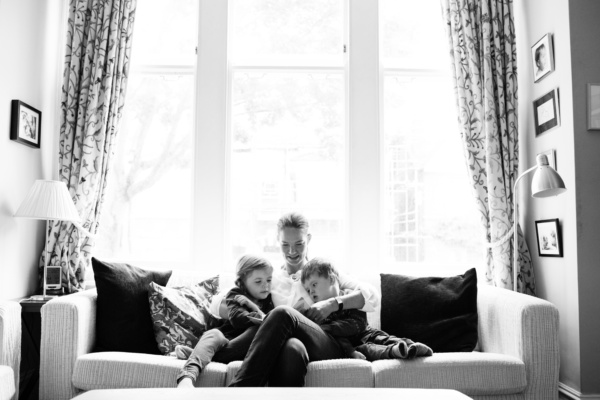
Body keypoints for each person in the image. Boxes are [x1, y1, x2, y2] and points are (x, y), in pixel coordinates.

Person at [228, 212, 379, 386]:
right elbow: (220, 301)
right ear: (278, 240)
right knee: (292, 347)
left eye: (299, 244)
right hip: (287, 346)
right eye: (285, 244)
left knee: (283, 314)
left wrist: (332, 304)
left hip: (326, 343)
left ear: (308, 239)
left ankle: (238, 390)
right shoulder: (271, 279)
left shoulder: (321, 273)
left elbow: (372, 296)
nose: (292, 251)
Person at [300, 257, 432, 361]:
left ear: (332, 279)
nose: (311, 292)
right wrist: (351, 352)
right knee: (369, 350)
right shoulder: (320, 313)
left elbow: (359, 324)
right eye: (308, 290)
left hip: (366, 333)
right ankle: (396, 351)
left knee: (383, 339)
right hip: (356, 346)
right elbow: (335, 339)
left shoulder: (350, 296)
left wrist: (330, 328)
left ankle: (412, 346)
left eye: (314, 284)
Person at [176, 254, 274, 388]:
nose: (265, 286)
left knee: (259, 330)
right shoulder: (235, 294)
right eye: (258, 281)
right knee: (214, 334)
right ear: (243, 281)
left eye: (269, 280)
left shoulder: (268, 300)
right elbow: (238, 320)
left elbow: (270, 323)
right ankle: (187, 377)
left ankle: (198, 353)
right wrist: (258, 316)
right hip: (227, 340)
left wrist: (253, 307)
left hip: (249, 348)